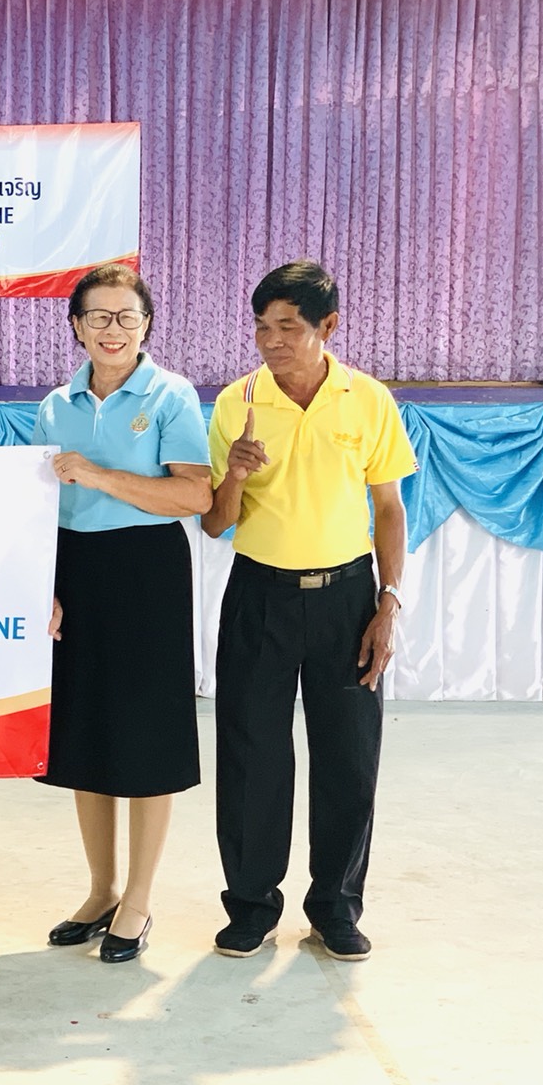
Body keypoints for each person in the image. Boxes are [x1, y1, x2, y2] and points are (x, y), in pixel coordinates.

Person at [202, 260, 415, 962]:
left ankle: (336, 907)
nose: (272, 341)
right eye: (262, 327)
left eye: (288, 327)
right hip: (258, 596)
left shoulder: (368, 399)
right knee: (251, 755)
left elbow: (389, 508)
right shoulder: (236, 402)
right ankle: (251, 906)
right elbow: (215, 523)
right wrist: (235, 474)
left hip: (348, 599)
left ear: (329, 326)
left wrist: (388, 601)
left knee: (349, 759)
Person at [32, 264, 211, 963]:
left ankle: (138, 899)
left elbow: (193, 497)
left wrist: (100, 475)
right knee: (87, 735)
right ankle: (101, 889)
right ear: (76, 327)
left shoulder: (171, 395)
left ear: (146, 325)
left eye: (126, 317)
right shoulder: (57, 405)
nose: (113, 330)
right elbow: (43, 506)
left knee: (146, 737)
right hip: (76, 572)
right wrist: (44, 585)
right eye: (98, 317)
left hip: (146, 571)